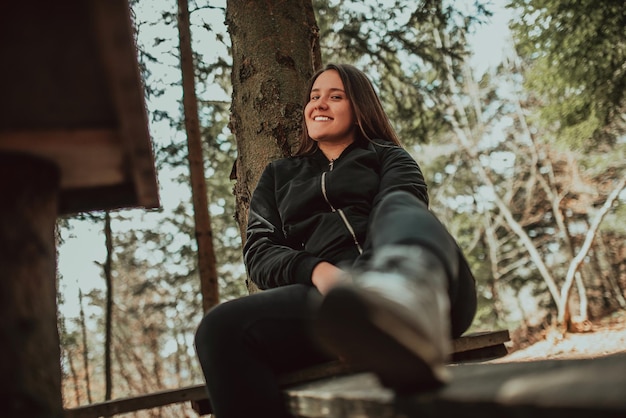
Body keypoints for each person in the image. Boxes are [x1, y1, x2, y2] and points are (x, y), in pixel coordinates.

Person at [194, 63, 477, 418]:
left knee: (398, 203)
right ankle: (365, 319)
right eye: (314, 97)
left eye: (335, 96)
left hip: (430, 291)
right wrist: (321, 273)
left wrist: (374, 278)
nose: (319, 104)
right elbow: (260, 251)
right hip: (339, 309)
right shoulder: (279, 176)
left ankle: (399, 303)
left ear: (359, 110)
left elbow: (408, 214)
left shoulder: (388, 156)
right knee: (220, 329)